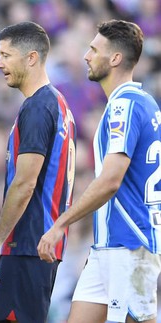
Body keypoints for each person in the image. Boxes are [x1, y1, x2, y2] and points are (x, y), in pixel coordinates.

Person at [38, 19, 161, 323]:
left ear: (115, 58)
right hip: (108, 247)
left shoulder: (125, 106)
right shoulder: (141, 102)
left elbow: (110, 181)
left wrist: (60, 224)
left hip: (129, 245)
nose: (86, 56)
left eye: (94, 49)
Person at [0, 21, 77, 323]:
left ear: (31, 57)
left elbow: (25, 183)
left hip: (26, 243)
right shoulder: (59, 104)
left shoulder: (38, 107)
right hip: (40, 244)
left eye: (5, 55)